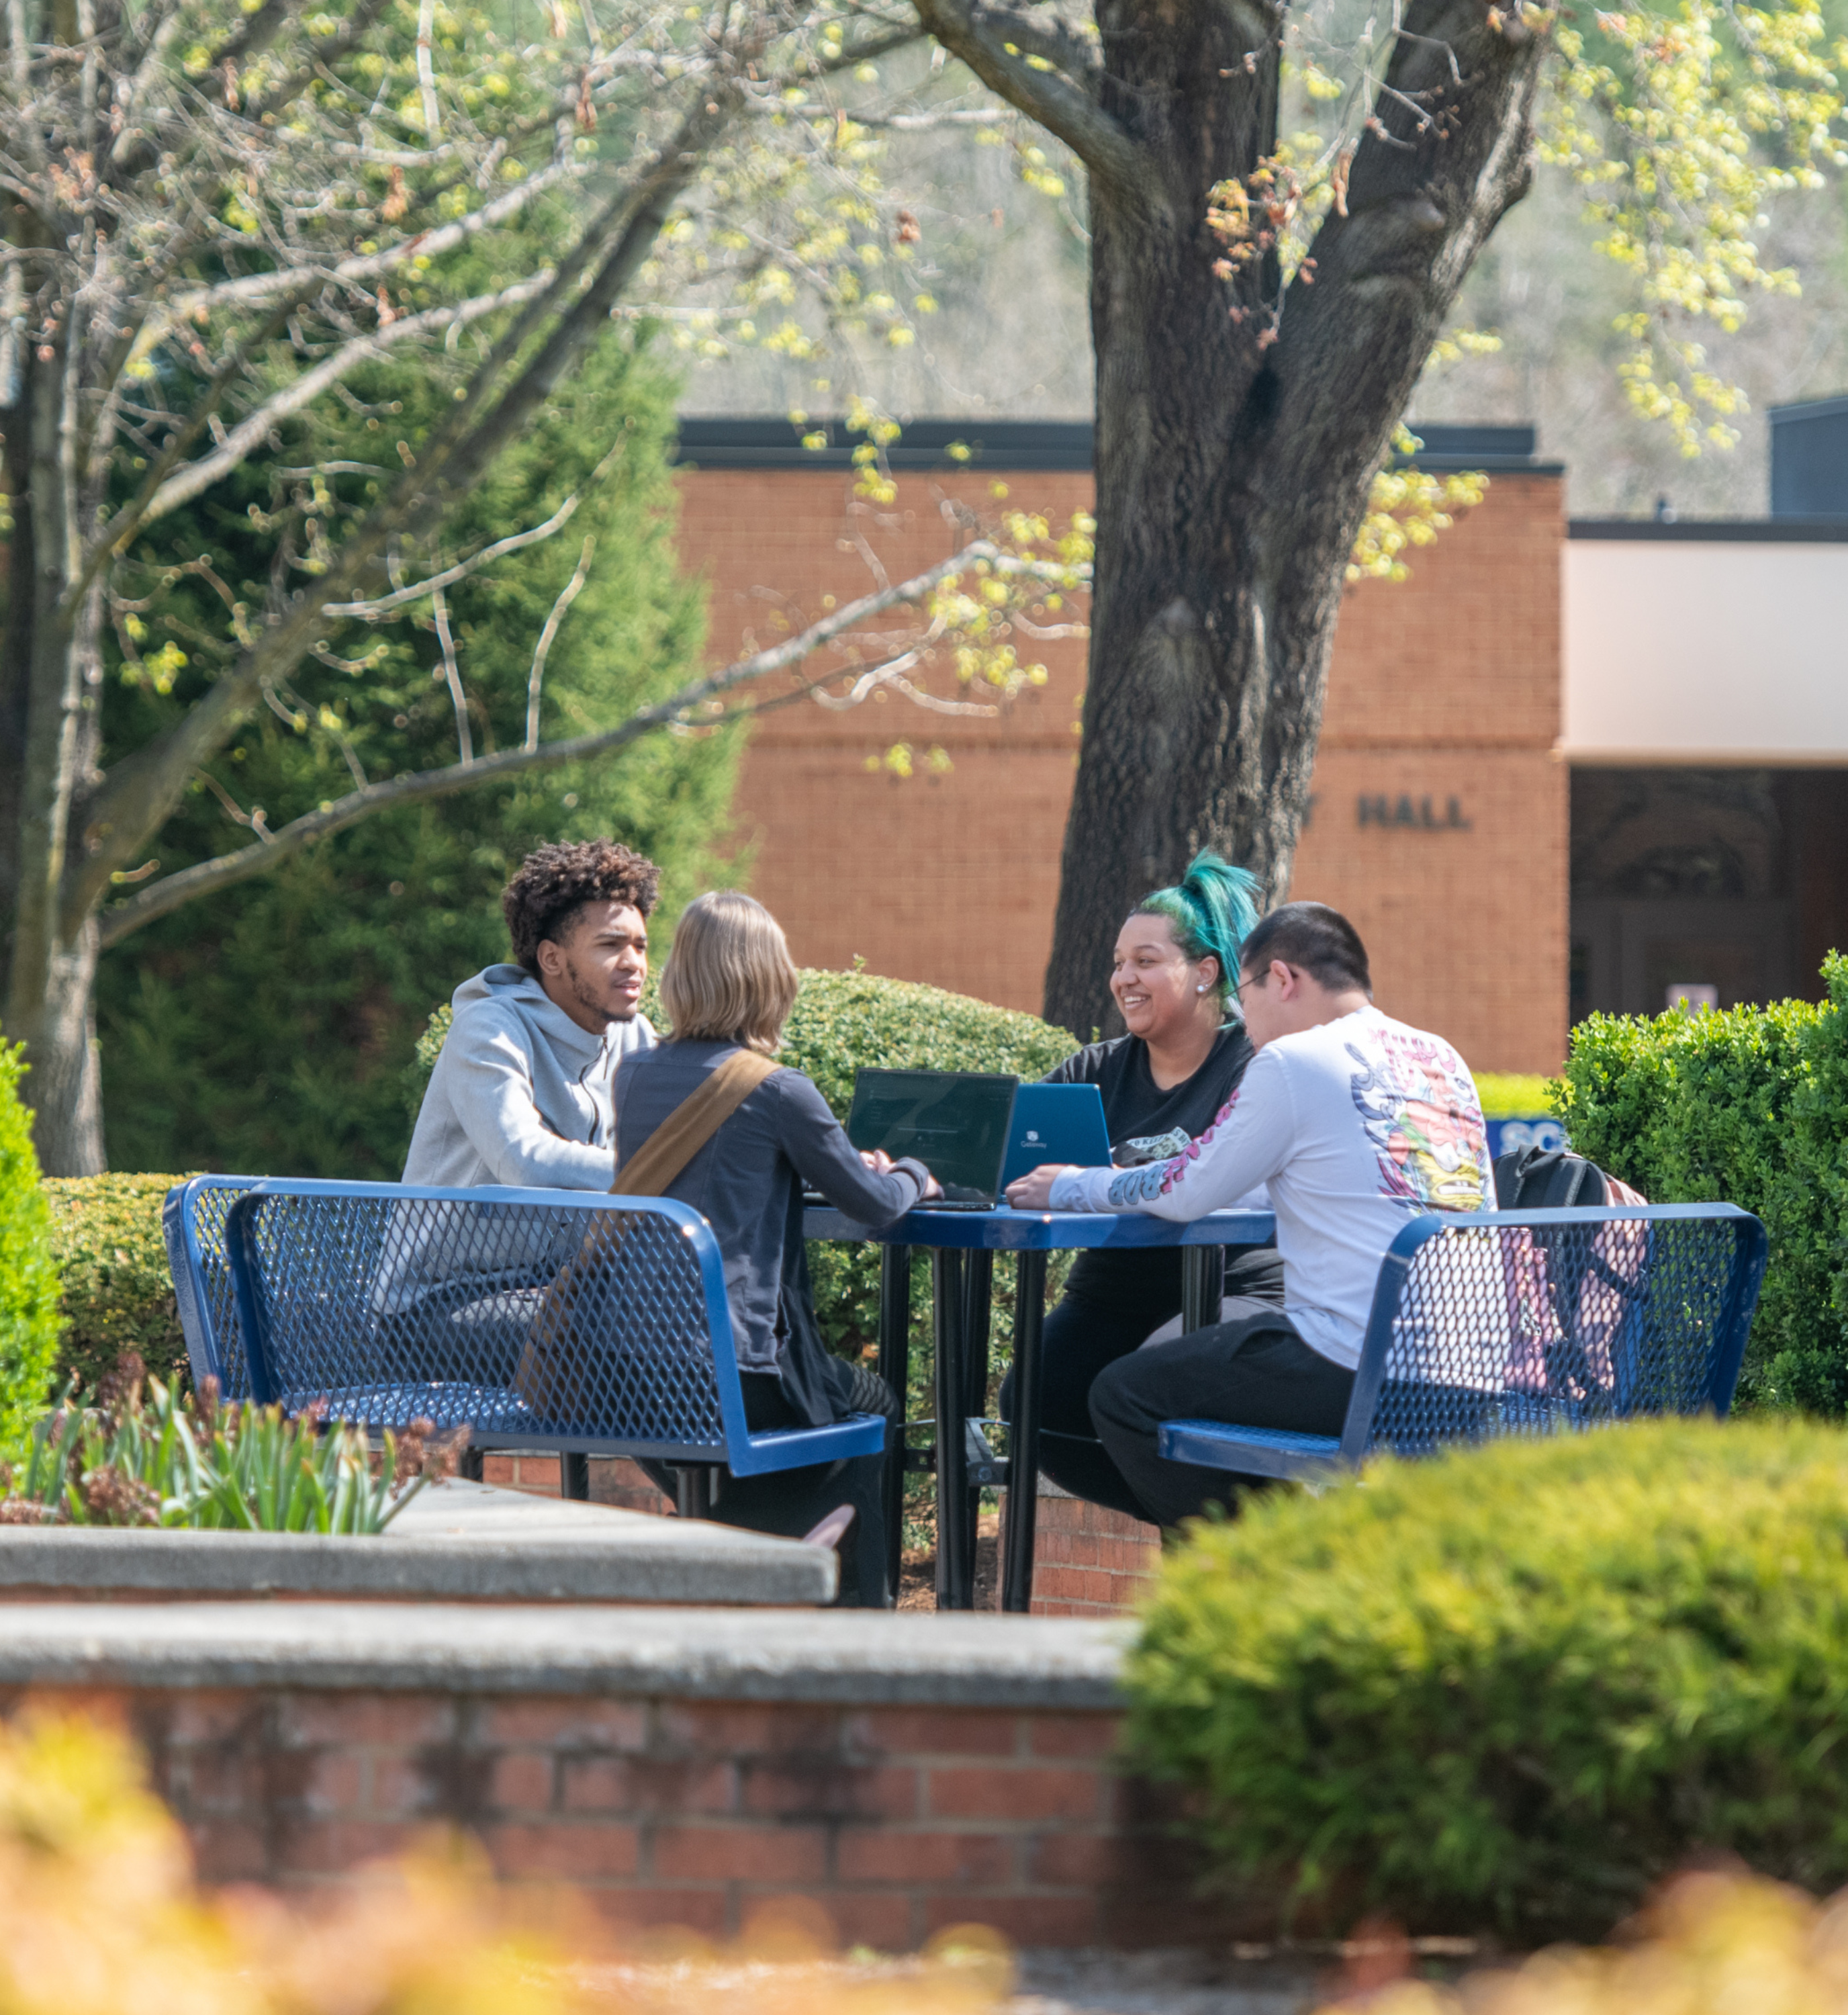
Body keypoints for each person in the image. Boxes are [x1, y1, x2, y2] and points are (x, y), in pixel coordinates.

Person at [1005, 901, 1494, 1529]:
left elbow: (1185, 1188)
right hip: (1471, 1369)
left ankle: (1267, 1555)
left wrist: (1073, 1185)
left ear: (1283, 980)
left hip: (1357, 1366)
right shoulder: (1440, 1057)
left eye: (1245, 997)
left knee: (1122, 1397)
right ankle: (1272, 1542)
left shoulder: (1292, 1063)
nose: (1243, 1022)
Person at [613, 891, 941, 1605]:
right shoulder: (778, 1091)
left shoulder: (633, 1075)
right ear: (769, 980)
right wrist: (914, 1174)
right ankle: (859, 1614)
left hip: (627, 1374)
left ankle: (762, 1552)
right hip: (731, 1377)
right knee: (875, 1405)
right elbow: (877, 1206)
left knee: (786, 1447)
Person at [999, 852, 1284, 1517]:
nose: (1123, 978)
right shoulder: (1095, 1069)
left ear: (1204, 971)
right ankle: (1214, 1517)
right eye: (1120, 962)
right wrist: (924, 1173)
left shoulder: (1254, 1069)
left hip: (1229, 1290)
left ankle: (1221, 1534)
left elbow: (1216, 1187)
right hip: (1110, 1295)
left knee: (1148, 1389)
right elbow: (1003, 1148)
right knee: (1031, 1400)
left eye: (1146, 961)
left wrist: (1090, 1182)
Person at [404, 840, 659, 1189]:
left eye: (640, 947)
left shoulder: (637, 1040)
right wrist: (656, 1174)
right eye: (610, 945)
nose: (634, 964)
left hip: (574, 1247)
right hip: (457, 1246)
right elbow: (523, 1161)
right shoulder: (489, 1030)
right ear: (552, 959)